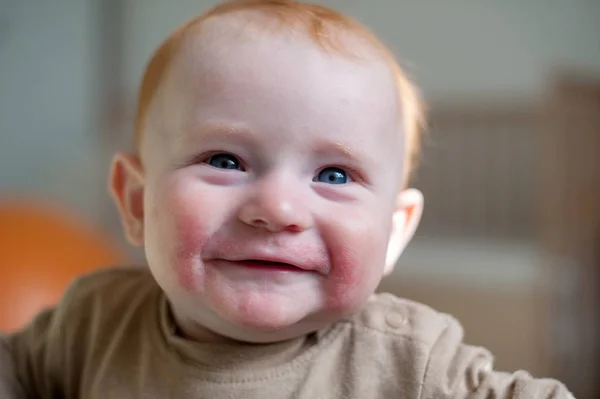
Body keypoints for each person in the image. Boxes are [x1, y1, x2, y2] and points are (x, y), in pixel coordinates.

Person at [1, 0, 574, 397]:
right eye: (225, 161)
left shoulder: (412, 362)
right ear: (134, 201)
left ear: (395, 231)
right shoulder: (93, 323)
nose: (276, 209)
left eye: (334, 175)